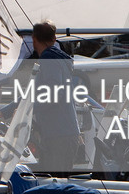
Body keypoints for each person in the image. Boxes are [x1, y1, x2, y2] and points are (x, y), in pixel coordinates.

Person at [24, 22, 91, 171]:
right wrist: (5, 112)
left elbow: (54, 94)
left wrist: (29, 111)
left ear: (34, 39)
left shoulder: (48, 59)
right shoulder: (57, 59)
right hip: (63, 133)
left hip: (59, 135)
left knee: (54, 180)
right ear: (54, 40)